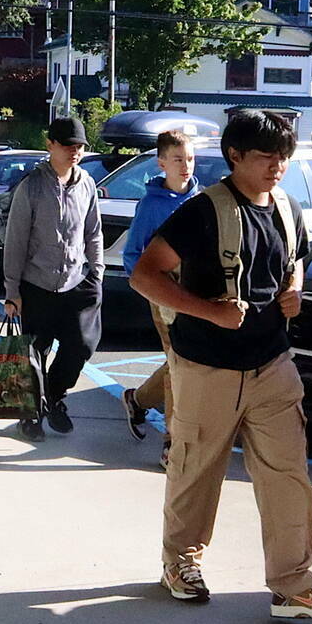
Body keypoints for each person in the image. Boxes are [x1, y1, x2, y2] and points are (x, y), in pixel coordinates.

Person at [131, 110, 312, 620]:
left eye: (285, 156)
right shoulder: (203, 212)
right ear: (235, 157)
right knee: (196, 470)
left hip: (272, 364)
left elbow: (294, 260)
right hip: (206, 366)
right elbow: (144, 273)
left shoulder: (288, 208)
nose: (278, 165)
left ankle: (293, 585)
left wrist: (294, 291)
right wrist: (210, 312)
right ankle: (179, 563)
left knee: (288, 473)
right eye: (266, 156)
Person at [0, 116, 104, 442]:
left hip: (76, 282)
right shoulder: (31, 187)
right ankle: (29, 414)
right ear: (50, 145)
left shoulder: (86, 184)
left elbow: (93, 231)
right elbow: (15, 241)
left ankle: (55, 395)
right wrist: (12, 290)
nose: (75, 151)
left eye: (80, 146)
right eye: (67, 145)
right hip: (37, 284)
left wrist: (97, 272)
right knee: (34, 351)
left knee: (81, 346)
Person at [119, 129, 199, 462]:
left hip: (197, 294)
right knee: (180, 364)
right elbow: (133, 255)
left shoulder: (202, 199)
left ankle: (138, 400)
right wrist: (153, 288)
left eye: (190, 159)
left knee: (185, 361)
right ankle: (172, 441)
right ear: (161, 163)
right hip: (164, 294)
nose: (186, 166)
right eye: (178, 159)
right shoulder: (152, 205)